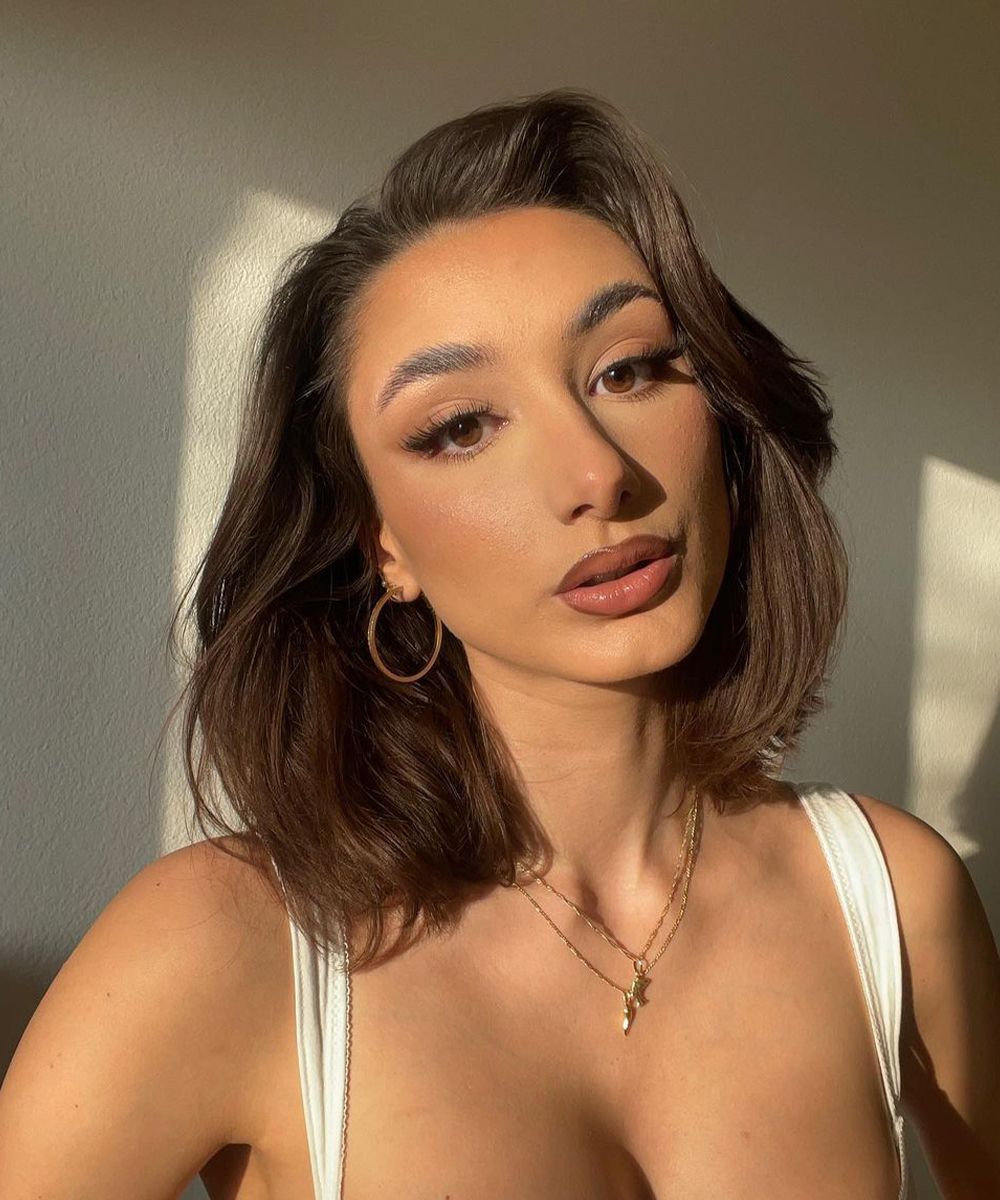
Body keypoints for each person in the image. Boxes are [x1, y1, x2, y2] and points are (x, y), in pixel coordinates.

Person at [1, 87, 997, 1200]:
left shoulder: (892, 901)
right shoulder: (218, 945)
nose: (597, 474)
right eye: (460, 427)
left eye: (629, 369)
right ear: (382, 545)